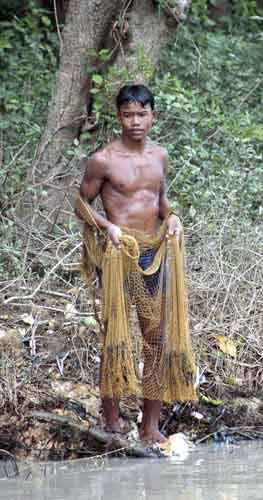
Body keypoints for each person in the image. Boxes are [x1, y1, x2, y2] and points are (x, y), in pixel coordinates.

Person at [75, 84, 195, 444]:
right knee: (115, 335)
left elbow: (160, 198)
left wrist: (171, 216)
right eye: (128, 114)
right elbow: (81, 204)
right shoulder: (104, 159)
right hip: (118, 254)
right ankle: (111, 421)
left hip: (152, 253)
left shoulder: (160, 156)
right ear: (119, 117)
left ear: (153, 116)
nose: (135, 121)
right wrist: (108, 226)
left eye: (142, 114)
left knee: (155, 338)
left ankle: (150, 426)